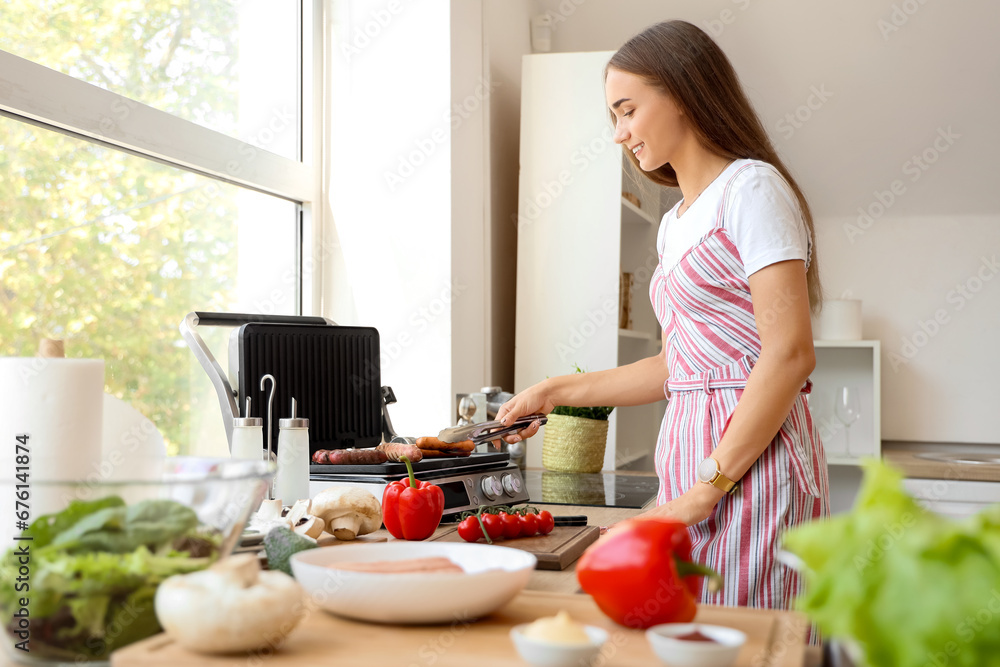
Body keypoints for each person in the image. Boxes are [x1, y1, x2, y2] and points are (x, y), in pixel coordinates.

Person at [496, 20, 829, 611]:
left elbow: (788, 353)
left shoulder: (751, 190)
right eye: (613, 118)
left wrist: (712, 484)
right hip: (690, 458)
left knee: (750, 638)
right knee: (690, 634)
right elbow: (679, 365)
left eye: (627, 110)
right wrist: (552, 391)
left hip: (752, 461)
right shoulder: (675, 223)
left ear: (681, 91)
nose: (620, 133)